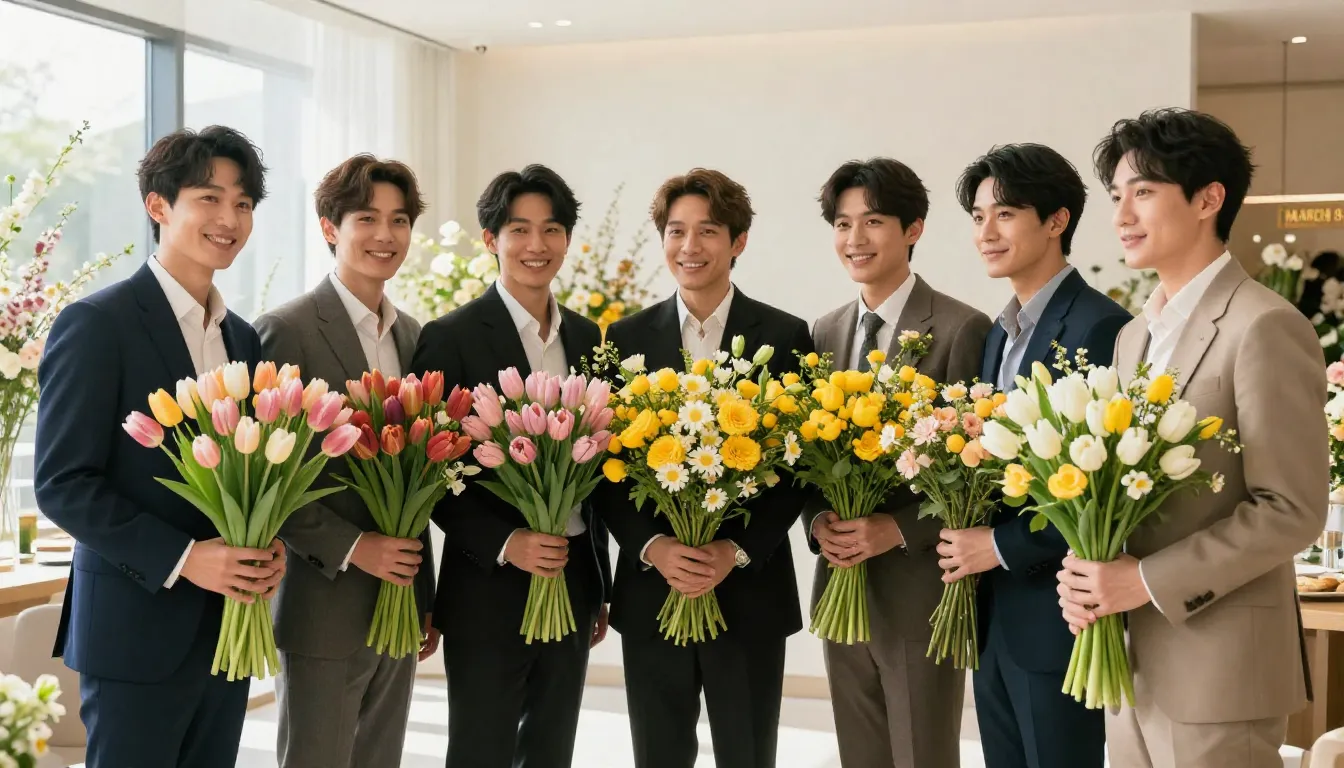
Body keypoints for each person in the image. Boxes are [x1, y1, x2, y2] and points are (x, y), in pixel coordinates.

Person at [1057, 107, 1327, 768]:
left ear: (1209, 199)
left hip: (1221, 670)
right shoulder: (1132, 336)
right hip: (1128, 666)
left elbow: (1291, 509)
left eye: (1143, 192)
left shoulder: (1264, 325)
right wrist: (1090, 569)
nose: (1121, 215)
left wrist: (1144, 581)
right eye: (1116, 196)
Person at [34, 125, 277, 768]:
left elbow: (243, 473)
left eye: (244, 204)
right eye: (210, 198)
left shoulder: (245, 340)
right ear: (158, 206)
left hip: (228, 633)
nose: (229, 218)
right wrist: (184, 557)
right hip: (134, 633)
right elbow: (63, 482)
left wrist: (263, 542)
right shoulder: (97, 323)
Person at [600, 168, 813, 768]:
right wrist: (653, 548)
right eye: (675, 231)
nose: (689, 247)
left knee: (748, 755)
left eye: (708, 231)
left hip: (750, 594)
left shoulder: (786, 335)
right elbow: (605, 467)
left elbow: (795, 470)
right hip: (652, 590)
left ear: (738, 241)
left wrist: (734, 551)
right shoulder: (623, 338)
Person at [408, 164, 612, 768]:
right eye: (518, 229)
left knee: (552, 749)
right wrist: (505, 541)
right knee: (482, 749)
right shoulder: (450, 337)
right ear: (490, 239)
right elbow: (432, 475)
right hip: (487, 586)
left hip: (572, 582)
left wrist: (596, 577)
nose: (536, 245)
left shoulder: (588, 336)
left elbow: (597, 467)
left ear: (567, 240)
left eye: (551, 230)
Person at [939, 143, 1128, 768]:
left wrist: (996, 546)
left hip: (1057, 617)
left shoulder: (1101, 327)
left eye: (1005, 214)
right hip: (994, 617)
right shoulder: (1000, 332)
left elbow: (1098, 488)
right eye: (977, 216)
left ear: (1056, 221)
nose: (986, 233)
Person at [805, 157, 992, 768]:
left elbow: (977, 475)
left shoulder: (962, 328)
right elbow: (806, 452)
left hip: (919, 591)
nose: (854, 239)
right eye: (842, 223)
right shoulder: (823, 333)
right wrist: (816, 522)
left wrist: (898, 529)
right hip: (841, 585)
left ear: (913, 229)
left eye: (874, 221)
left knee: (922, 755)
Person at [254, 154, 436, 768]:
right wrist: (358, 548)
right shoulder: (286, 330)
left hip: (398, 606)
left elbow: (420, 479)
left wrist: (424, 596)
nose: (385, 235)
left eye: (399, 220)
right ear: (331, 227)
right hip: (322, 605)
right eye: (367, 217)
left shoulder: (414, 337)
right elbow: (269, 483)